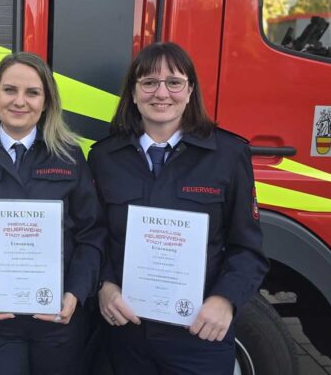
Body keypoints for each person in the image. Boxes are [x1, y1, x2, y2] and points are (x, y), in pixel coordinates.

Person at [88, 42, 269, 375]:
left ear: (190, 91)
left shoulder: (228, 155)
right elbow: (93, 237)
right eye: (149, 82)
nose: (162, 93)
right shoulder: (103, 158)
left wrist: (225, 300)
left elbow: (247, 248)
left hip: (198, 333)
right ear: (133, 92)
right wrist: (104, 286)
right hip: (126, 333)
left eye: (174, 82)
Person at [0, 52, 105, 375]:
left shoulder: (69, 156)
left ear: (46, 102)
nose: (20, 101)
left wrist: (76, 293)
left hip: (60, 322)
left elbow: (91, 234)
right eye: (9, 90)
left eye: (32, 92)